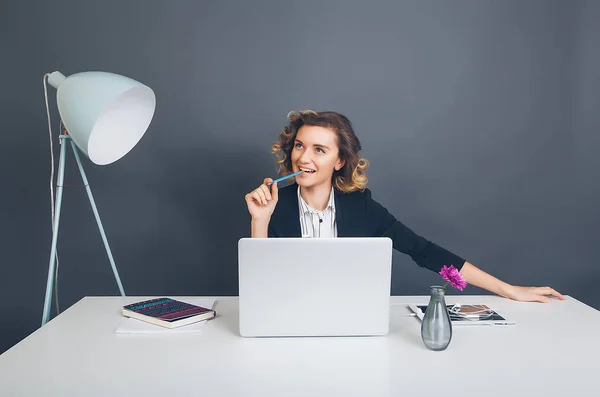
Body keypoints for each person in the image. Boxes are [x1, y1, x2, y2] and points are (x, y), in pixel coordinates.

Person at [244, 109, 564, 303]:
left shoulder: (363, 209)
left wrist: (507, 290)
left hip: (348, 327)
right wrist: (260, 221)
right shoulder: (275, 206)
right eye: (299, 145)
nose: (304, 157)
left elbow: (424, 252)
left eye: (318, 149)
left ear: (339, 161)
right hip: (286, 325)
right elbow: (261, 289)